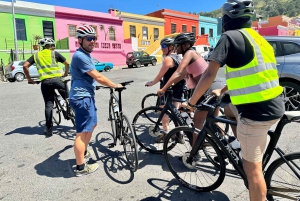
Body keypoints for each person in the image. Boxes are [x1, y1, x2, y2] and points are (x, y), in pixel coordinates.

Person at [184, 1, 285, 200]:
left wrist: (192, 103)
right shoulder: (258, 38)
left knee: (253, 169)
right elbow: (252, 72)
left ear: (226, 19)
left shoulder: (228, 37)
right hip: (275, 103)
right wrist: (221, 90)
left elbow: (209, 74)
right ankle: (240, 144)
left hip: (256, 112)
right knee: (229, 110)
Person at [69, 25, 122, 177]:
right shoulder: (80, 56)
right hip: (82, 97)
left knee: (92, 125)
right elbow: (97, 76)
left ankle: (84, 152)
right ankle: (81, 167)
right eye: (89, 39)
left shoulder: (85, 55)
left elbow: (94, 75)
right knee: (82, 132)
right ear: (80, 40)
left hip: (85, 96)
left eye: (94, 38)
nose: (93, 41)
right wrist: (115, 85)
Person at [157, 32, 223, 145]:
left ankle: (194, 153)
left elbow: (178, 72)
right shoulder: (194, 54)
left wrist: (164, 88)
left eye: (178, 45)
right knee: (213, 120)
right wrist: (171, 84)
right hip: (214, 87)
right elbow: (183, 74)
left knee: (197, 121)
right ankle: (224, 146)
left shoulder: (190, 53)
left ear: (186, 45)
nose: (176, 47)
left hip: (207, 90)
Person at [23, 37, 70, 136]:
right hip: (58, 80)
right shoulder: (54, 53)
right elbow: (67, 63)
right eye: (52, 46)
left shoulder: (36, 55)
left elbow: (25, 66)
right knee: (69, 97)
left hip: (45, 82)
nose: (53, 47)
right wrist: (65, 73)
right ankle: (70, 112)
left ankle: (49, 129)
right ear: (49, 46)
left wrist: (29, 79)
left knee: (49, 105)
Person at [145, 37, 186, 143]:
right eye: (161, 46)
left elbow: (160, 75)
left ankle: (165, 134)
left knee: (163, 112)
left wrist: (152, 83)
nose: (162, 48)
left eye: (164, 46)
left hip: (167, 89)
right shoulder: (178, 58)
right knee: (176, 112)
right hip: (178, 88)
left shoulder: (168, 59)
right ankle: (179, 134)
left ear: (171, 47)